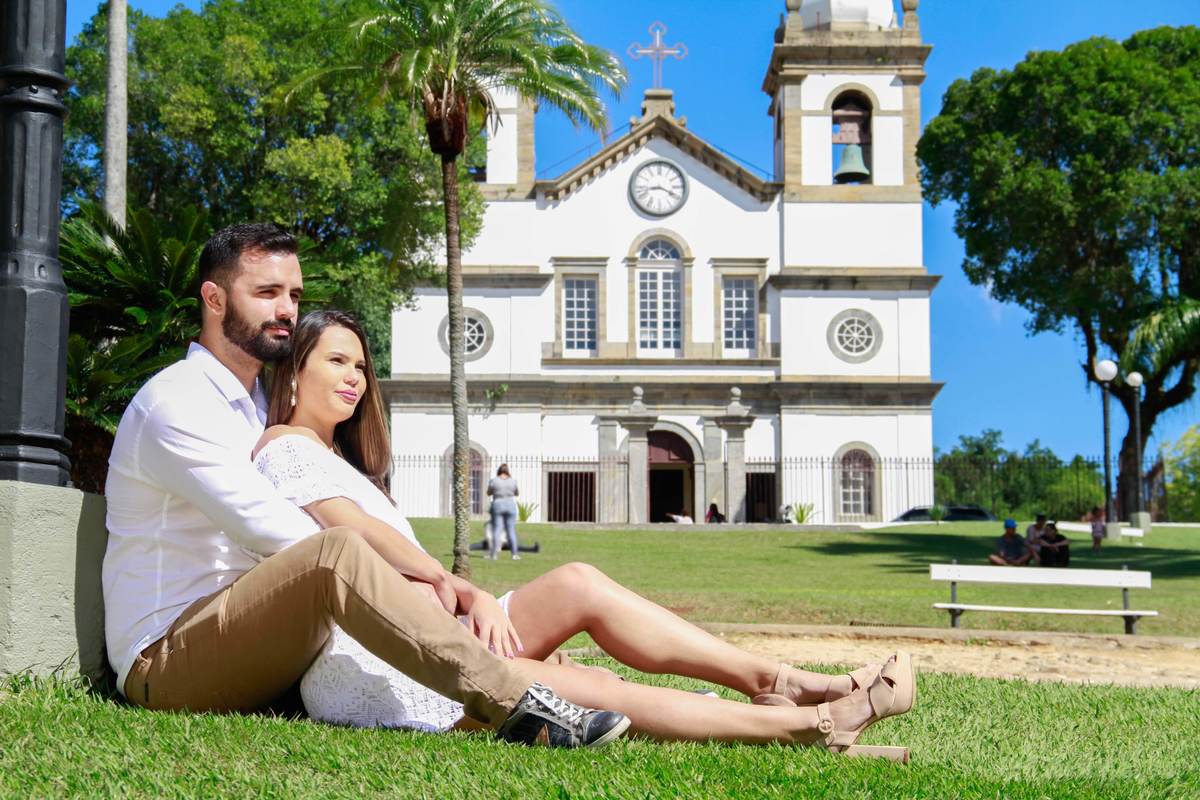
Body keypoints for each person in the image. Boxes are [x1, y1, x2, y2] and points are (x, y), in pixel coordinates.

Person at [255, 309, 917, 759]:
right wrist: (453, 583)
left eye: (362, 367)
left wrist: (463, 599)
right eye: (337, 361)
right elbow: (354, 532)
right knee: (592, 691)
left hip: (426, 630)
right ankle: (812, 724)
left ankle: (783, 679)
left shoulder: (343, 461)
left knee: (579, 584)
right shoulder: (281, 446)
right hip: (381, 663)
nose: (354, 378)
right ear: (293, 370)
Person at [101, 223, 627, 749]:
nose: (286, 309)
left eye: (294, 295)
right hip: (166, 657)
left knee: (348, 555)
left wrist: (431, 585)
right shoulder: (179, 401)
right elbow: (278, 534)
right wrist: (421, 581)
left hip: (256, 632)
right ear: (213, 300)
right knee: (334, 551)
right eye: (266, 293)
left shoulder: (256, 409)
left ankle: (547, 672)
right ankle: (517, 703)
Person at [487, 465, 520, 560]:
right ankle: (514, 554)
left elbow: (489, 492)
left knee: (497, 529)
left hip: (498, 505)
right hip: (510, 505)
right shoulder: (513, 481)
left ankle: (493, 554)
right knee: (511, 530)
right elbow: (517, 493)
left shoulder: (494, 481)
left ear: (499, 471)